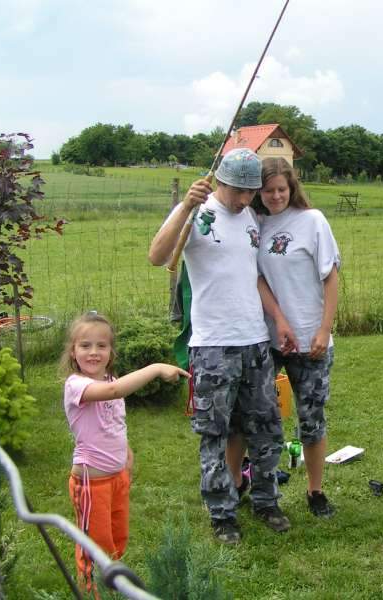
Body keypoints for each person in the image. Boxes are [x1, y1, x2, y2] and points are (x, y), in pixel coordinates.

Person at [148, 148, 297, 545]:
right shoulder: (197, 212)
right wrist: (183, 208)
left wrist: (278, 318)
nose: (245, 200)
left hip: (255, 341)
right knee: (213, 433)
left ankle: (266, 501)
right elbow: (157, 255)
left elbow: (253, 275)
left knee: (266, 428)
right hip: (213, 345)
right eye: (238, 192)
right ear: (219, 182)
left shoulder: (249, 216)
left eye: (251, 192)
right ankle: (222, 513)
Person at [232, 156, 340, 518]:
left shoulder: (313, 221)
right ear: (257, 192)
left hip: (311, 340)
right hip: (268, 339)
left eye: (282, 189)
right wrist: (277, 319)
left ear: (292, 188)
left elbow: (331, 276)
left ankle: (315, 490)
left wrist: (324, 329)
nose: (276, 195)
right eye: (268, 190)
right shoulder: (254, 223)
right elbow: (256, 277)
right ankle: (250, 483)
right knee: (258, 418)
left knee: (311, 419)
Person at [61, 311, 188, 593]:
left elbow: (111, 420)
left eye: (101, 346)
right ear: (73, 351)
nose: (94, 352)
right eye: (85, 345)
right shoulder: (76, 385)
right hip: (90, 484)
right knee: (95, 546)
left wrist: (125, 450)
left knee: (117, 539)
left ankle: (111, 586)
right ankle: (93, 592)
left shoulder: (109, 379)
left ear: (110, 351)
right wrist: (155, 368)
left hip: (117, 477)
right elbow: (115, 392)